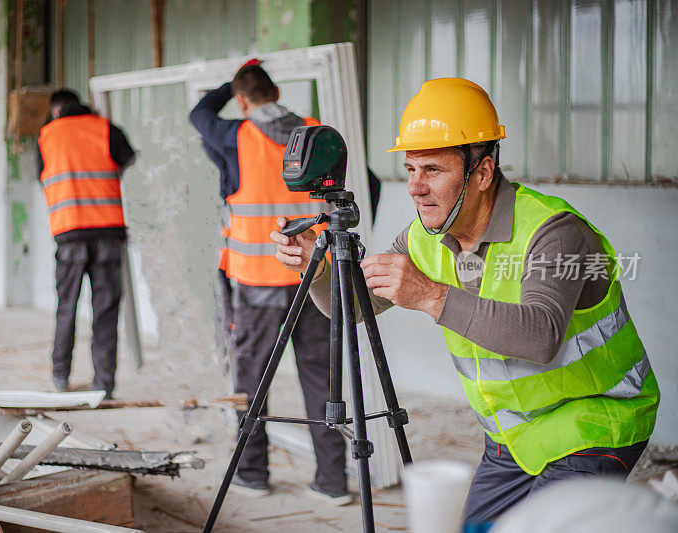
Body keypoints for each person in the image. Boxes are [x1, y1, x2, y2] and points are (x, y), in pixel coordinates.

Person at [271, 78, 660, 521]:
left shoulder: (553, 232)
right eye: (411, 168)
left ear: (483, 172)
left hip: (596, 423)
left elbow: (540, 335)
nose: (415, 187)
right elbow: (356, 308)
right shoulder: (424, 235)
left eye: (432, 170)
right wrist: (315, 269)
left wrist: (431, 296)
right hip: (516, 434)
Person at [189, 61, 351, 505]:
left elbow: (199, 114)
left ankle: (253, 474)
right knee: (323, 380)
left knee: (251, 383)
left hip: (258, 284)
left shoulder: (234, 136)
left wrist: (233, 82)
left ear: (242, 99)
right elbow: (364, 190)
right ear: (278, 90)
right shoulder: (321, 133)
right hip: (314, 278)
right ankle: (333, 482)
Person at [37, 89, 135, 399]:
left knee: (66, 307)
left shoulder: (46, 136)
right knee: (105, 312)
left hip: (69, 235)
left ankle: (60, 376)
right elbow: (128, 160)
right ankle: (104, 385)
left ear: (57, 110)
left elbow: (42, 176)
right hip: (108, 232)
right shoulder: (107, 128)